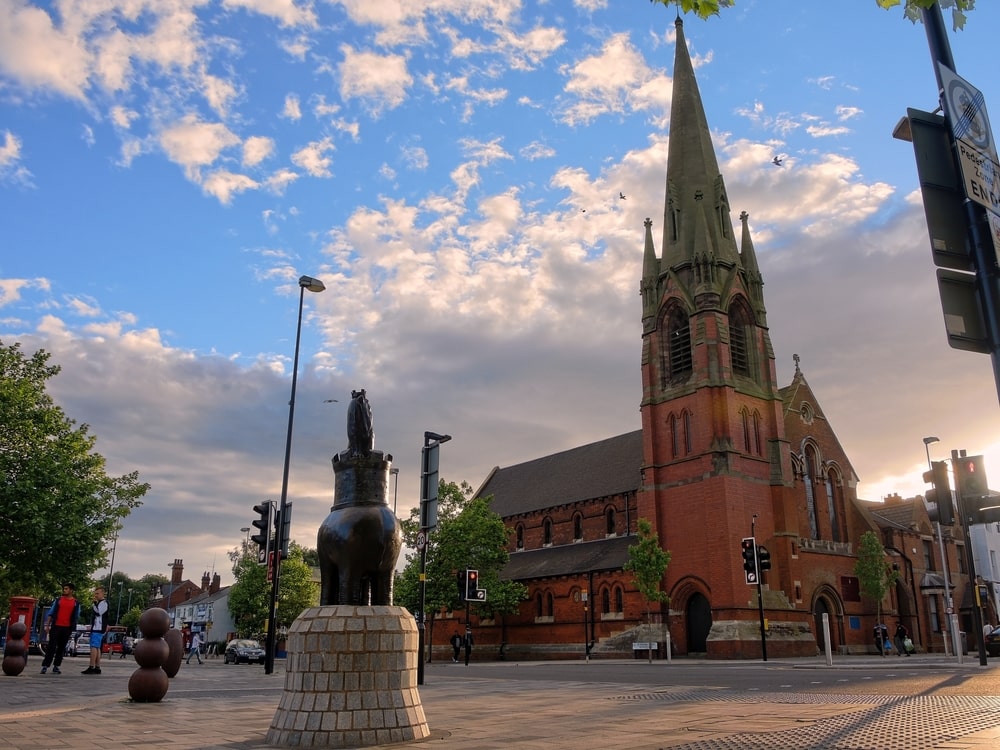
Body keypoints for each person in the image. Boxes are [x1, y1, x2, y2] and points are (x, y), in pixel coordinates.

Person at [40, 583, 79, 675]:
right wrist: (47, 625)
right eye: (64, 589)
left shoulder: (76, 603)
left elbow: (76, 616)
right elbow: (51, 613)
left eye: (66, 589)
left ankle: (56, 666)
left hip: (67, 628)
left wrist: (73, 627)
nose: (64, 590)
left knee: (61, 647)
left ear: (71, 590)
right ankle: (45, 665)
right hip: (56, 626)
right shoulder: (58, 600)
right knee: (51, 646)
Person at [82, 586, 110, 674]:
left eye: (97, 593)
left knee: (94, 646)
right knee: (97, 647)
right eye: (95, 594)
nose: (96, 595)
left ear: (103, 593)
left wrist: (94, 604)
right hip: (98, 627)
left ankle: (91, 666)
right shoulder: (101, 603)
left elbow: (98, 612)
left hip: (98, 628)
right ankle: (97, 666)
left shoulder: (103, 603)